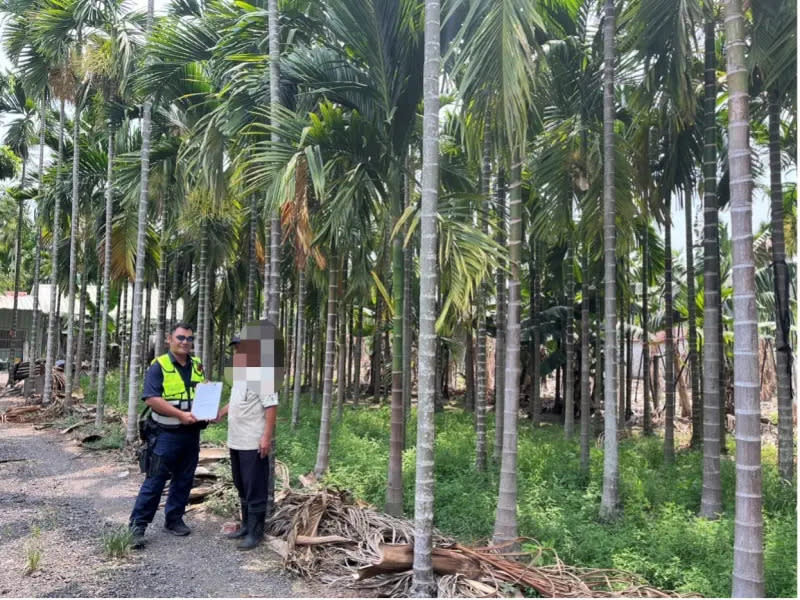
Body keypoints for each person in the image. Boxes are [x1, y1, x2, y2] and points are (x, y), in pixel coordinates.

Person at [128, 322, 207, 548]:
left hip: (191, 433)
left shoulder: (197, 365)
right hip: (166, 433)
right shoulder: (159, 366)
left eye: (189, 339)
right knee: (155, 480)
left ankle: (174, 519)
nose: (185, 342)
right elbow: (152, 399)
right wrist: (180, 415)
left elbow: (203, 390)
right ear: (169, 340)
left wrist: (208, 410)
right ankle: (137, 527)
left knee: (184, 478)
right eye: (180, 338)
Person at [216, 320, 283, 551]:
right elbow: (236, 402)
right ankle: (246, 526)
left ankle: (255, 533)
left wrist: (266, 438)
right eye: (236, 348)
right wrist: (221, 413)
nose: (239, 352)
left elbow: (271, 407)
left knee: (255, 487)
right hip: (236, 439)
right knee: (241, 484)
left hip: (253, 441)